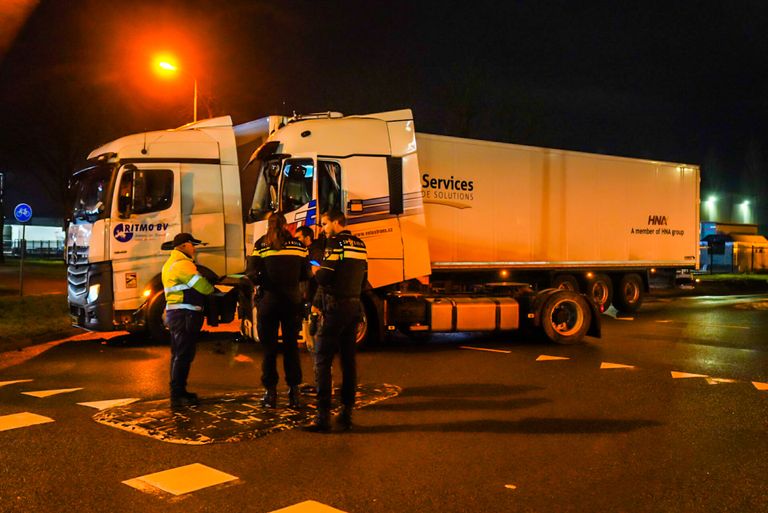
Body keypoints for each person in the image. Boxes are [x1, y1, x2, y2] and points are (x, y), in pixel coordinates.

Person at [305, 209, 368, 432]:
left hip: (335, 307)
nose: (323, 228)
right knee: (348, 361)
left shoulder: (335, 244)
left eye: (324, 224)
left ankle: (322, 417)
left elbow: (324, 277)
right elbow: (364, 280)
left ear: (335, 222)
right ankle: (346, 412)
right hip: (353, 305)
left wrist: (315, 269)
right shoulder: (360, 245)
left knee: (322, 359)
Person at [247, 212, 310, 408]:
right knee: (291, 347)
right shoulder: (298, 246)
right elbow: (306, 273)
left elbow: (251, 273)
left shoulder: (261, 245)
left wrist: (263, 282)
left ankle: (270, 393)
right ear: (286, 225)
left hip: (269, 302)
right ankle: (294, 393)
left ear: (269, 225)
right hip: (291, 301)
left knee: (269, 350)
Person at [162, 232, 215, 408]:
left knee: (178, 354)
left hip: (177, 313)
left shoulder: (171, 263)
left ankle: (178, 391)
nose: (194, 248)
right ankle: (178, 395)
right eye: (192, 244)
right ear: (184, 245)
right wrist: (213, 289)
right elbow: (202, 286)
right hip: (185, 313)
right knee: (183, 355)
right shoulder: (183, 264)